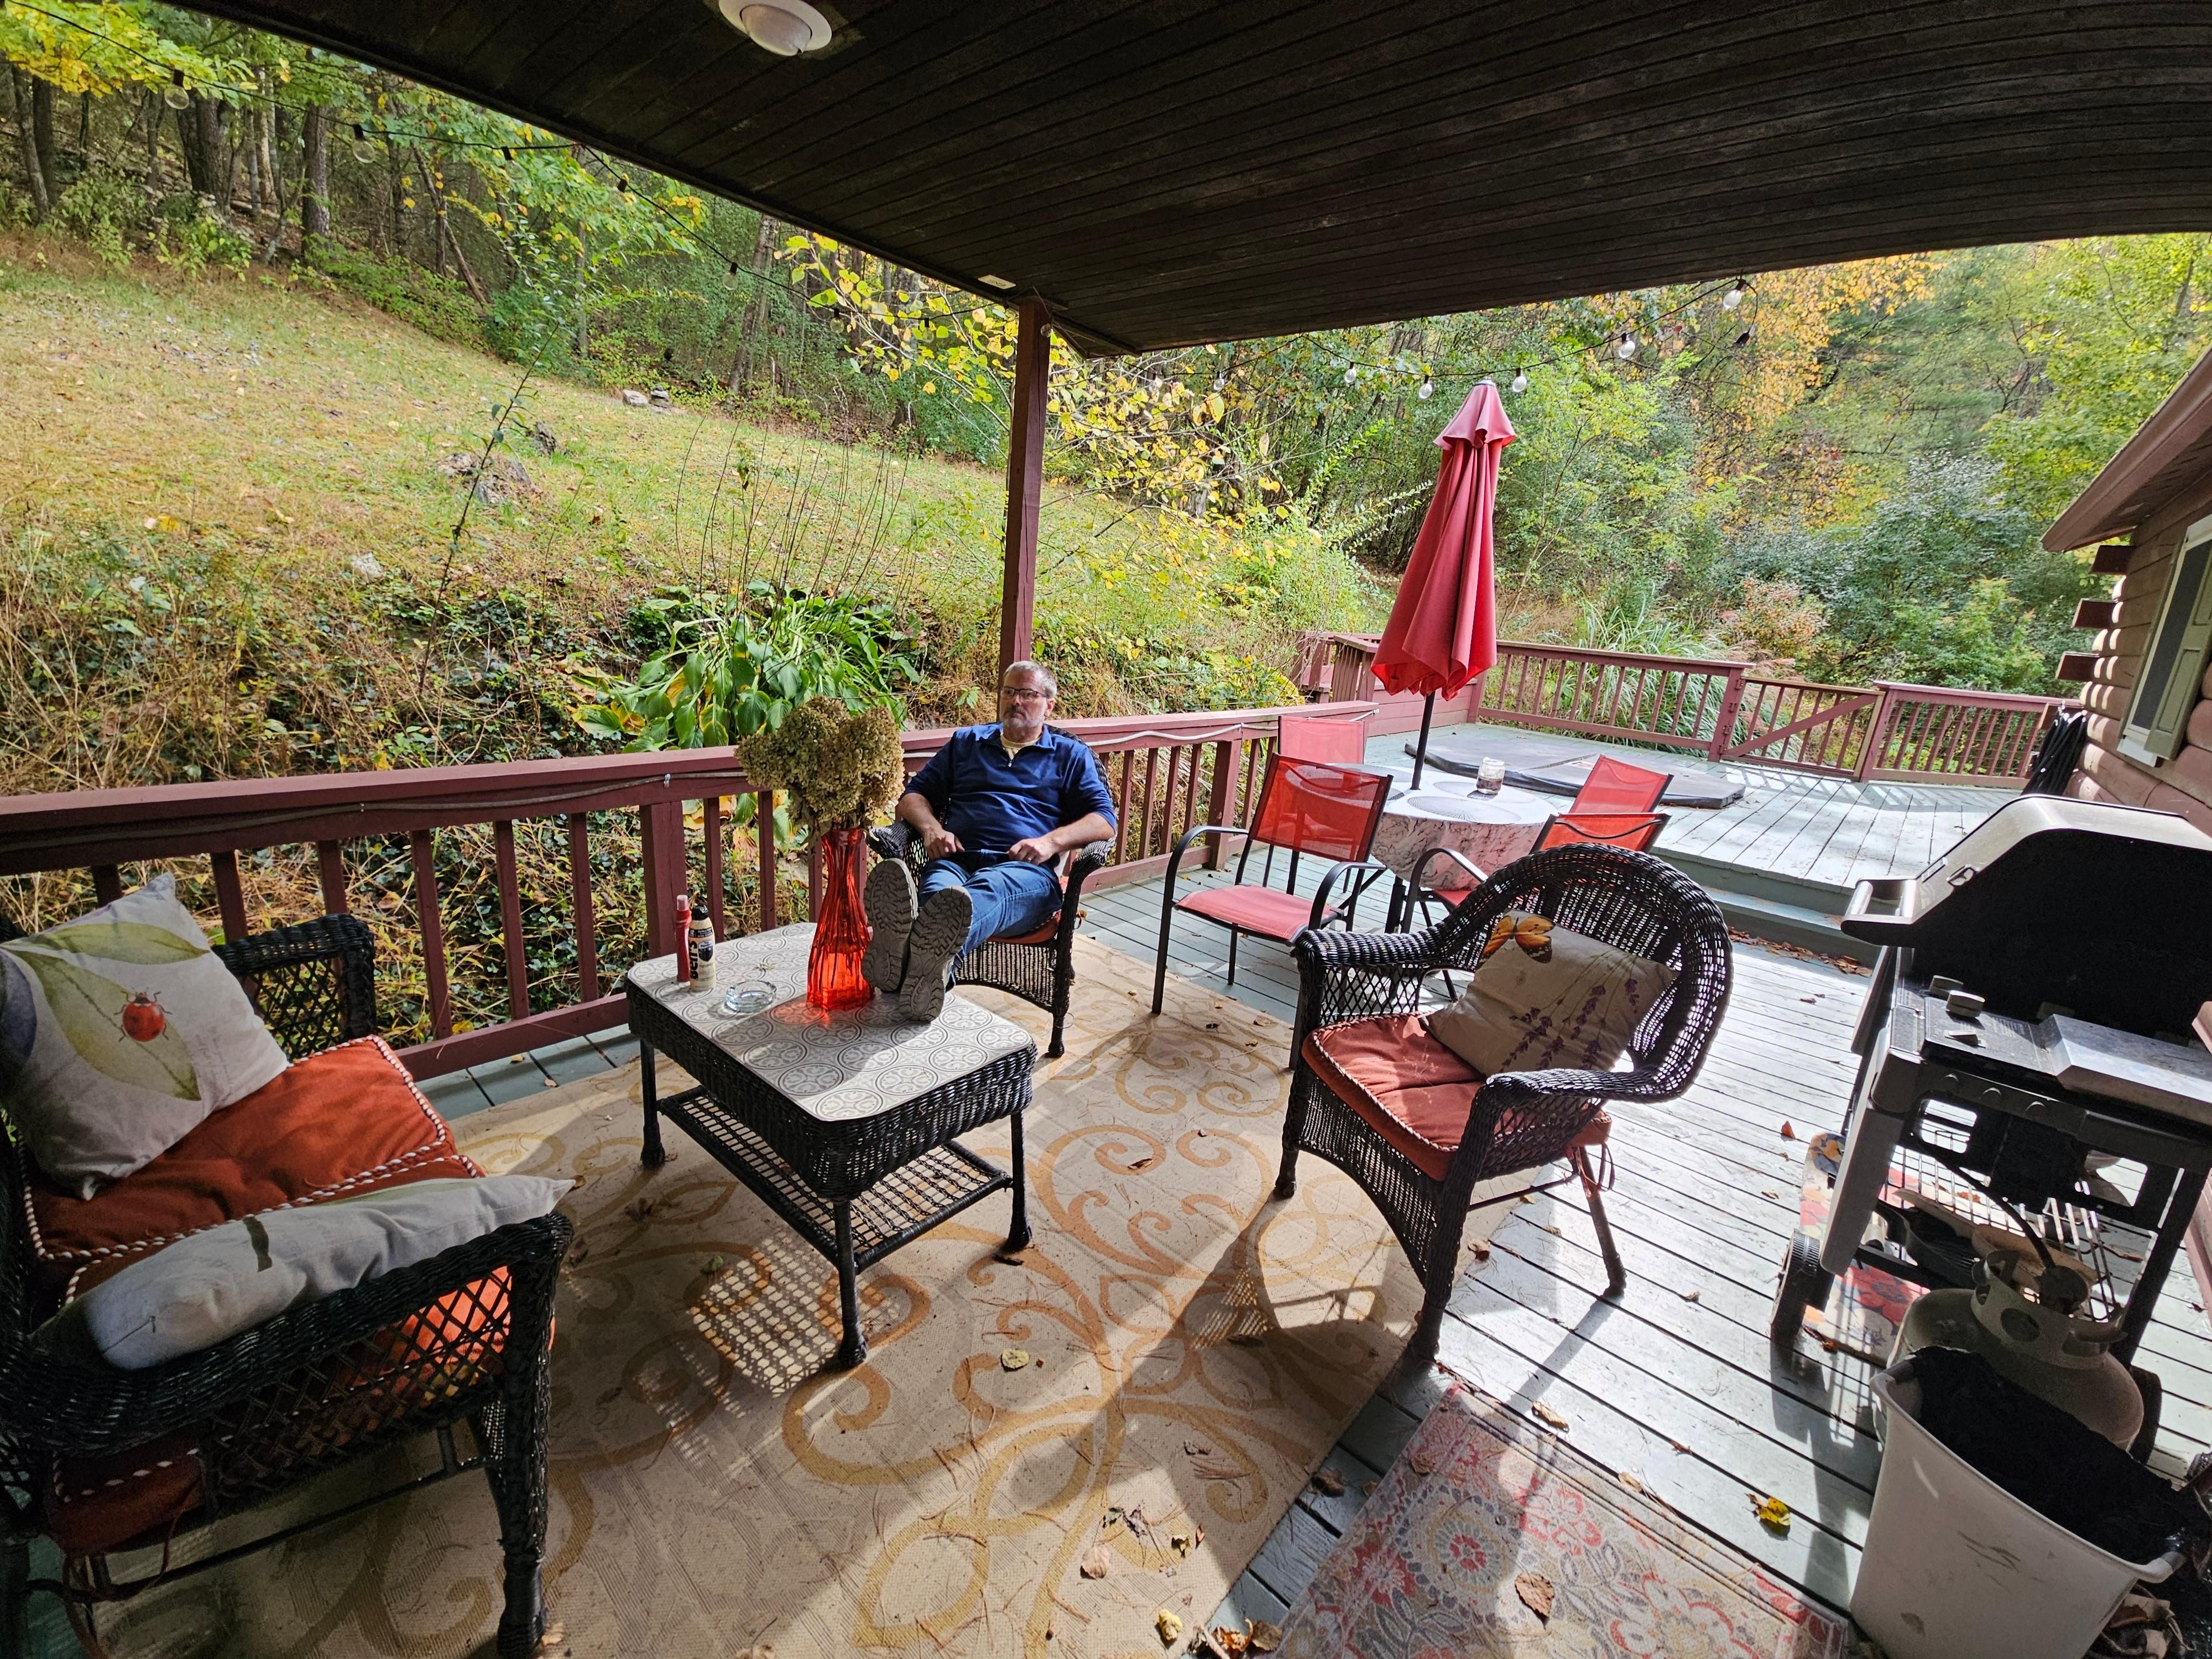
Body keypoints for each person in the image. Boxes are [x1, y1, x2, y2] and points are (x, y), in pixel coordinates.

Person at [864, 660, 1116, 1020]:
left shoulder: (1069, 756)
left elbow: (1104, 821)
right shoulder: (967, 743)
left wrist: (1050, 842)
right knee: (940, 895)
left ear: (1049, 705)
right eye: (1009, 692)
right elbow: (912, 797)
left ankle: (902, 962)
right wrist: (933, 829)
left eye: (1027, 694)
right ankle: (926, 978)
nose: (1015, 701)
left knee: (980, 893)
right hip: (956, 860)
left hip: (1024, 874)